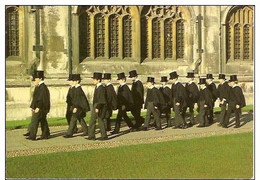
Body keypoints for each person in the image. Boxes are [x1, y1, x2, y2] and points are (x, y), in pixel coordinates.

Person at [26, 70, 50, 140]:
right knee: (43, 120)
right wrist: (33, 106)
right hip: (39, 107)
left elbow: (42, 99)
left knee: (35, 120)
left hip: (41, 107)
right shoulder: (39, 86)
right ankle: (46, 134)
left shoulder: (42, 87)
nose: (35, 80)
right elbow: (35, 98)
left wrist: (38, 107)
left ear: (40, 79)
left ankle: (32, 136)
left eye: (36, 79)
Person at [88, 72, 108, 140]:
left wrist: (97, 107)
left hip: (99, 105)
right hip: (96, 105)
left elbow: (102, 99)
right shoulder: (97, 87)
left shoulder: (101, 88)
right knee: (94, 121)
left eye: (94, 79)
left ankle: (104, 135)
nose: (93, 81)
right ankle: (91, 135)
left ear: (98, 80)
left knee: (99, 121)